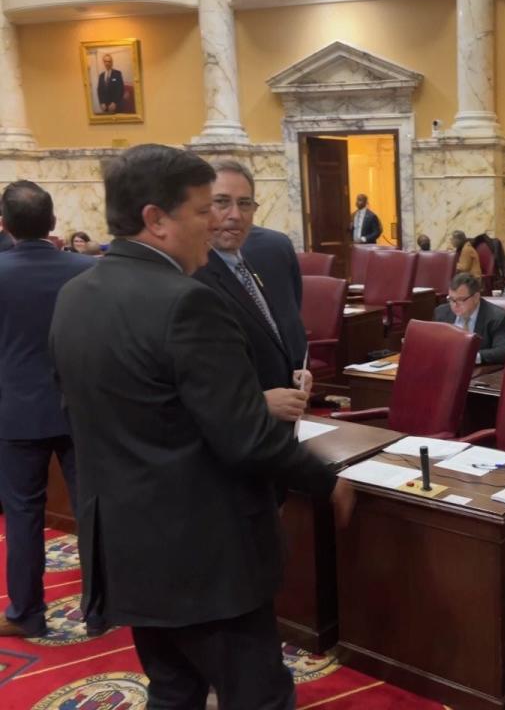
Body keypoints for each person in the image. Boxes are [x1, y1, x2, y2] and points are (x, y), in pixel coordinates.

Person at [49, 144, 353, 709]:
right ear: (155, 219)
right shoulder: (186, 303)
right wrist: (326, 480)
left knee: (174, 689)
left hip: (127, 546)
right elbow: (246, 437)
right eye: (200, 211)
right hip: (203, 557)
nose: (215, 224)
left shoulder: (75, 294)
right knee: (256, 696)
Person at [0, 181, 97, 638]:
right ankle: (102, 609)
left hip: (15, 412)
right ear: (54, 223)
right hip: (80, 407)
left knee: (22, 515)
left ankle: (26, 613)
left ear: (4, 225)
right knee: (93, 510)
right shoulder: (88, 270)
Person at [193, 160, 311, 427]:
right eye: (222, 202)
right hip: (232, 437)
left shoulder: (261, 258)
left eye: (245, 204)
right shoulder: (190, 275)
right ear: (200, 208)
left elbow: (284, 328)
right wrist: (258, 402)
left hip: (277, 431)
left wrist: (295, 371)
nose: (236, 215)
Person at [243, 222, 308, 368]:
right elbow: (296, 297)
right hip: (293, 347)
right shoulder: (280, 241)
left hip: (252, 360)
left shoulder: (208, 249)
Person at [434, 273, 505, 365]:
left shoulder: (498, 317)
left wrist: (471, 357)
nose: (455, 305)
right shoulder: (441, 312)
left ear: (476, 297)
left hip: (479, 371)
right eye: (451, 299)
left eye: (461, 300)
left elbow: (504, 351)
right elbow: (434, 344)